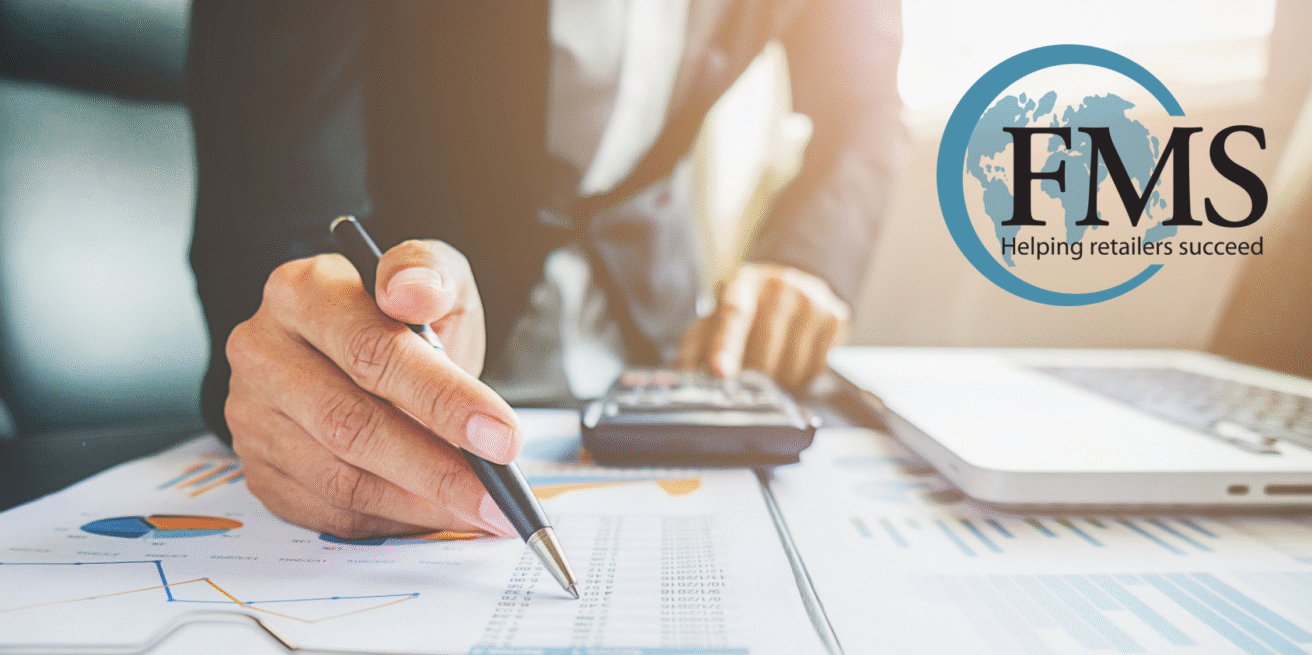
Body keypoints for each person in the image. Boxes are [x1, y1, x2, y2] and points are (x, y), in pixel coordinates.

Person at [186, 1, 904, 539]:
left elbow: (863, 105)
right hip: (415, 352)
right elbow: (273, 201)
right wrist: (310, 349)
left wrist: (811, 260)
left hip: (660, 358)